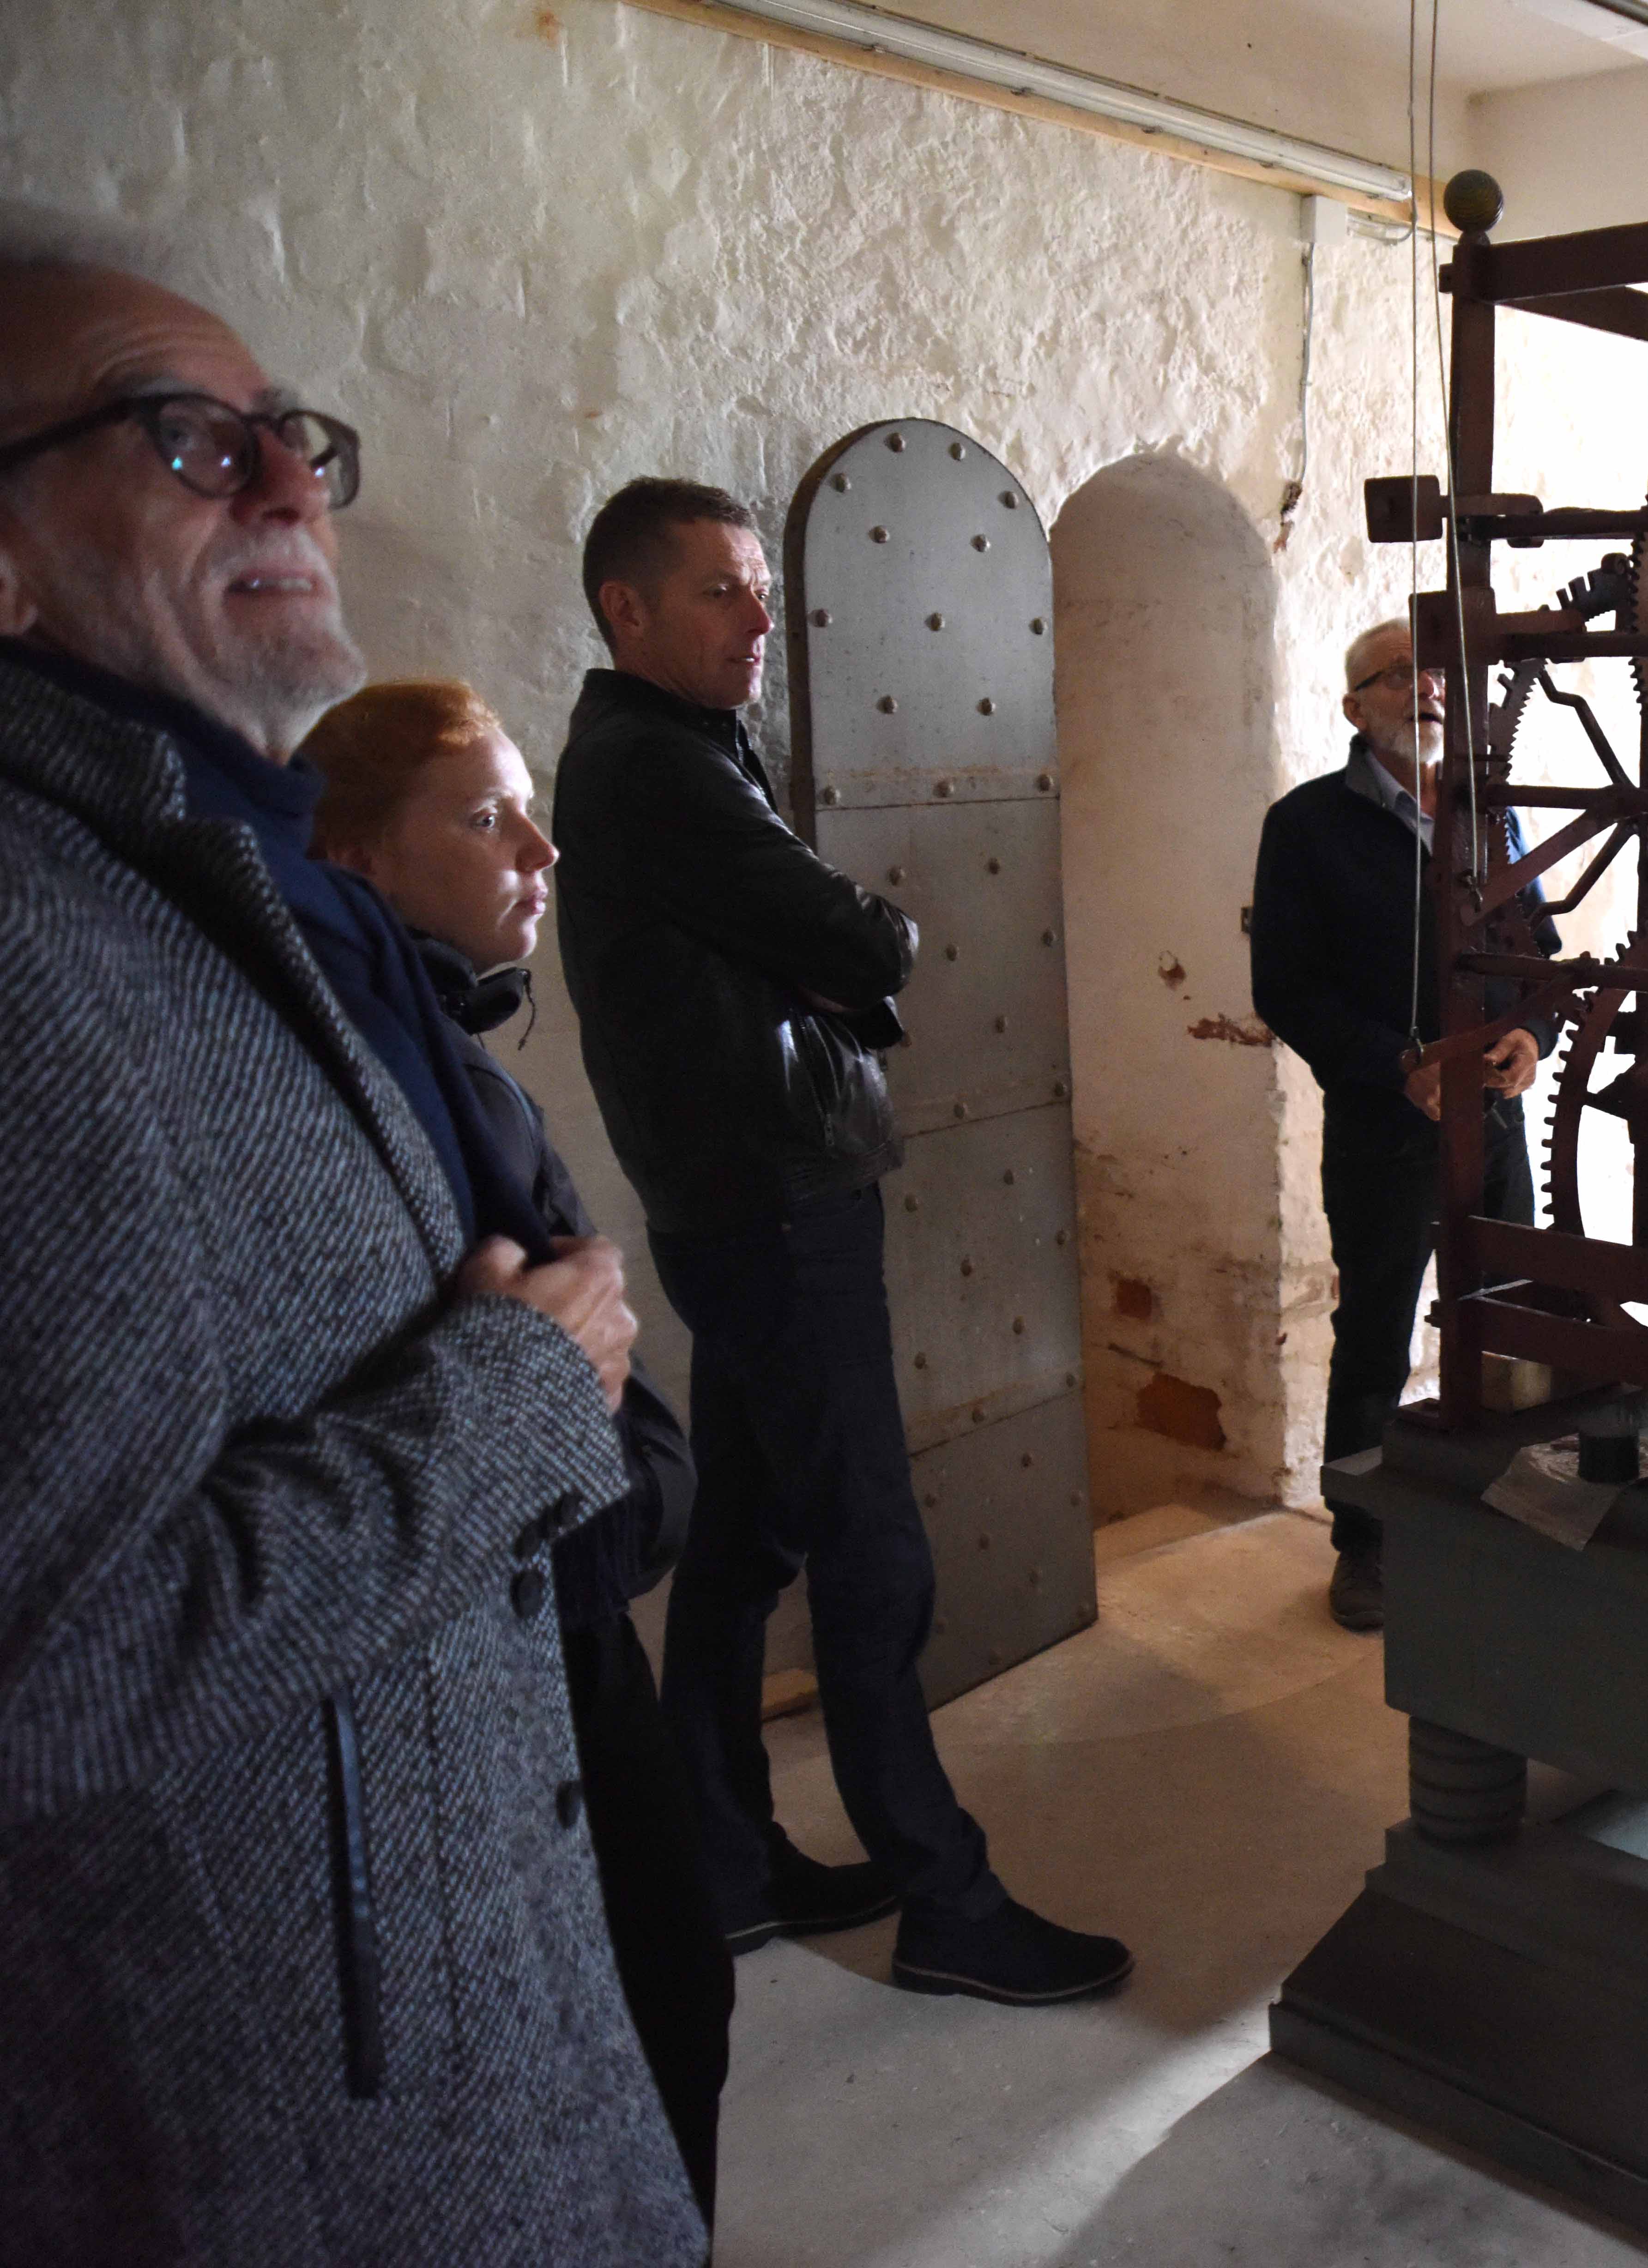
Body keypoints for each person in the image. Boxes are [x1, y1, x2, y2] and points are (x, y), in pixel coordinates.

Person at [0, 231, 701, 2259]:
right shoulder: (32, 936)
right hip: (283, 2135)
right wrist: (509, 1403)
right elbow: (48, 1676)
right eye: (187, 439)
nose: (295, 482)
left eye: (291, 436)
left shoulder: (187, 877)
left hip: (445, 2021)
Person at [553, 477, 1127, 2004]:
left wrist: (821, 959)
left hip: (747, 1196)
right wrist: (845, 954)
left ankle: (724, 1861)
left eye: (760, 587)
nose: (759, 619)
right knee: (873, 1549)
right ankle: (945, 1898)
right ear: (626, 610)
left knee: (747, 1539)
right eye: (720, 592)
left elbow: (821, 952)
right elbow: (871, 941)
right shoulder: (657, 766)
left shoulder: (681, 749)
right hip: (772, 1205)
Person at [304, 676, 734, 2222]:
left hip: (569, 1598)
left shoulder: (438, 1042)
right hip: (524, 1633)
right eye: (487, 820)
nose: (539, 852)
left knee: (668, 1998)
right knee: (651, 2007)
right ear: (351, 860)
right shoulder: (373, 1080)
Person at [1250, 618, 1559, 1632]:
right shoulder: (1306, 825)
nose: (1427, 688)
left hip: (1497, 1125)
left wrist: (1533, 1036)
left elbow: (1541, 950)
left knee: (1507, 1320)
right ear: (1355, 706)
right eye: (1400, 675)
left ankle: (1506, 1517)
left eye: (1437, 674)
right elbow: (1286, 989)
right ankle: (1366, 1544)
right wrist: (1397, 1066)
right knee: (1377, 1337)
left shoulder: (1494, 816)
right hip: (1384, 1129)